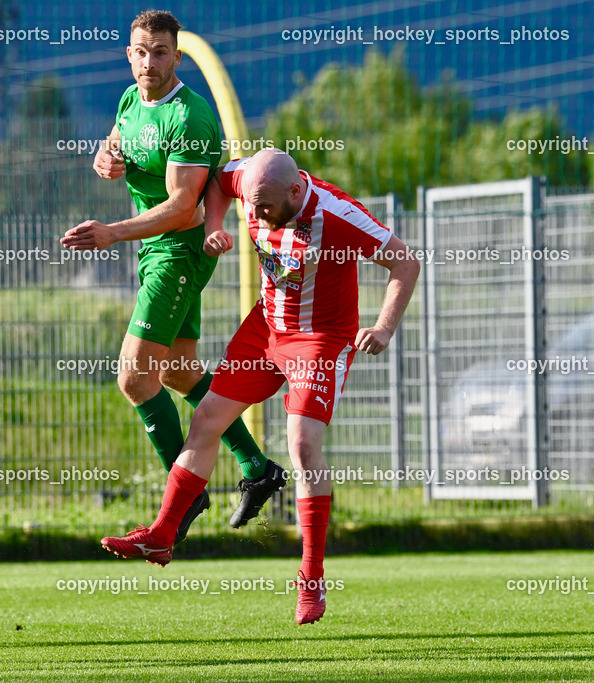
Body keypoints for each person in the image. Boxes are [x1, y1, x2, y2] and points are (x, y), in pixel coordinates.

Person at [102, 149, 420, 625]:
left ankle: (311, 576)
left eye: (266, 207)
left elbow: (405, 263)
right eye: (251, 205)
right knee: (207, 418)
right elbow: (214, 182)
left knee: (302, 445)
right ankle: (163, 534)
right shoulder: (250, 179)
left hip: (319, 338)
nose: (256, 216)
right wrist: (214, 224)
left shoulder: (338, 215)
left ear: (296, 191)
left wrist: (384, 327)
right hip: (266, 327)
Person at [61, 9, 286, 541]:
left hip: (178, 254)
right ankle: (258, 469)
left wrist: (112, 231)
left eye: (160, 52)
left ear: (176, 56)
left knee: (134, 379)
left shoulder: (189, 117)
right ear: (129, 55)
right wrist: (107, 157)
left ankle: (184, 492)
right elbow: (117, 140)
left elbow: (185, 208)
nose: (149, 62)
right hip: (154, 253)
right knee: (179, 373)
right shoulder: (129, 98)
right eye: (140, 52)